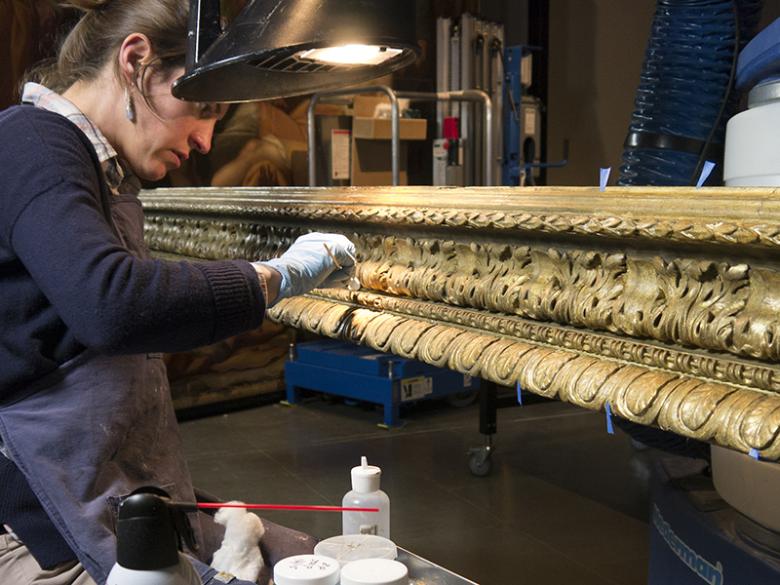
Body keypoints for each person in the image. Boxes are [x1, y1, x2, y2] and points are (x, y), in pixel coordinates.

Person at [0, 1, 356, 584]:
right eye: (203, 109)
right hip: (43, 535)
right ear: (136, 61)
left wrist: (191, 511)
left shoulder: (103, 176)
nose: (206, 140)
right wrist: (273, 277)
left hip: (99, 497)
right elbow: (112, 305)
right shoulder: (33, 141)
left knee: (293, 557)